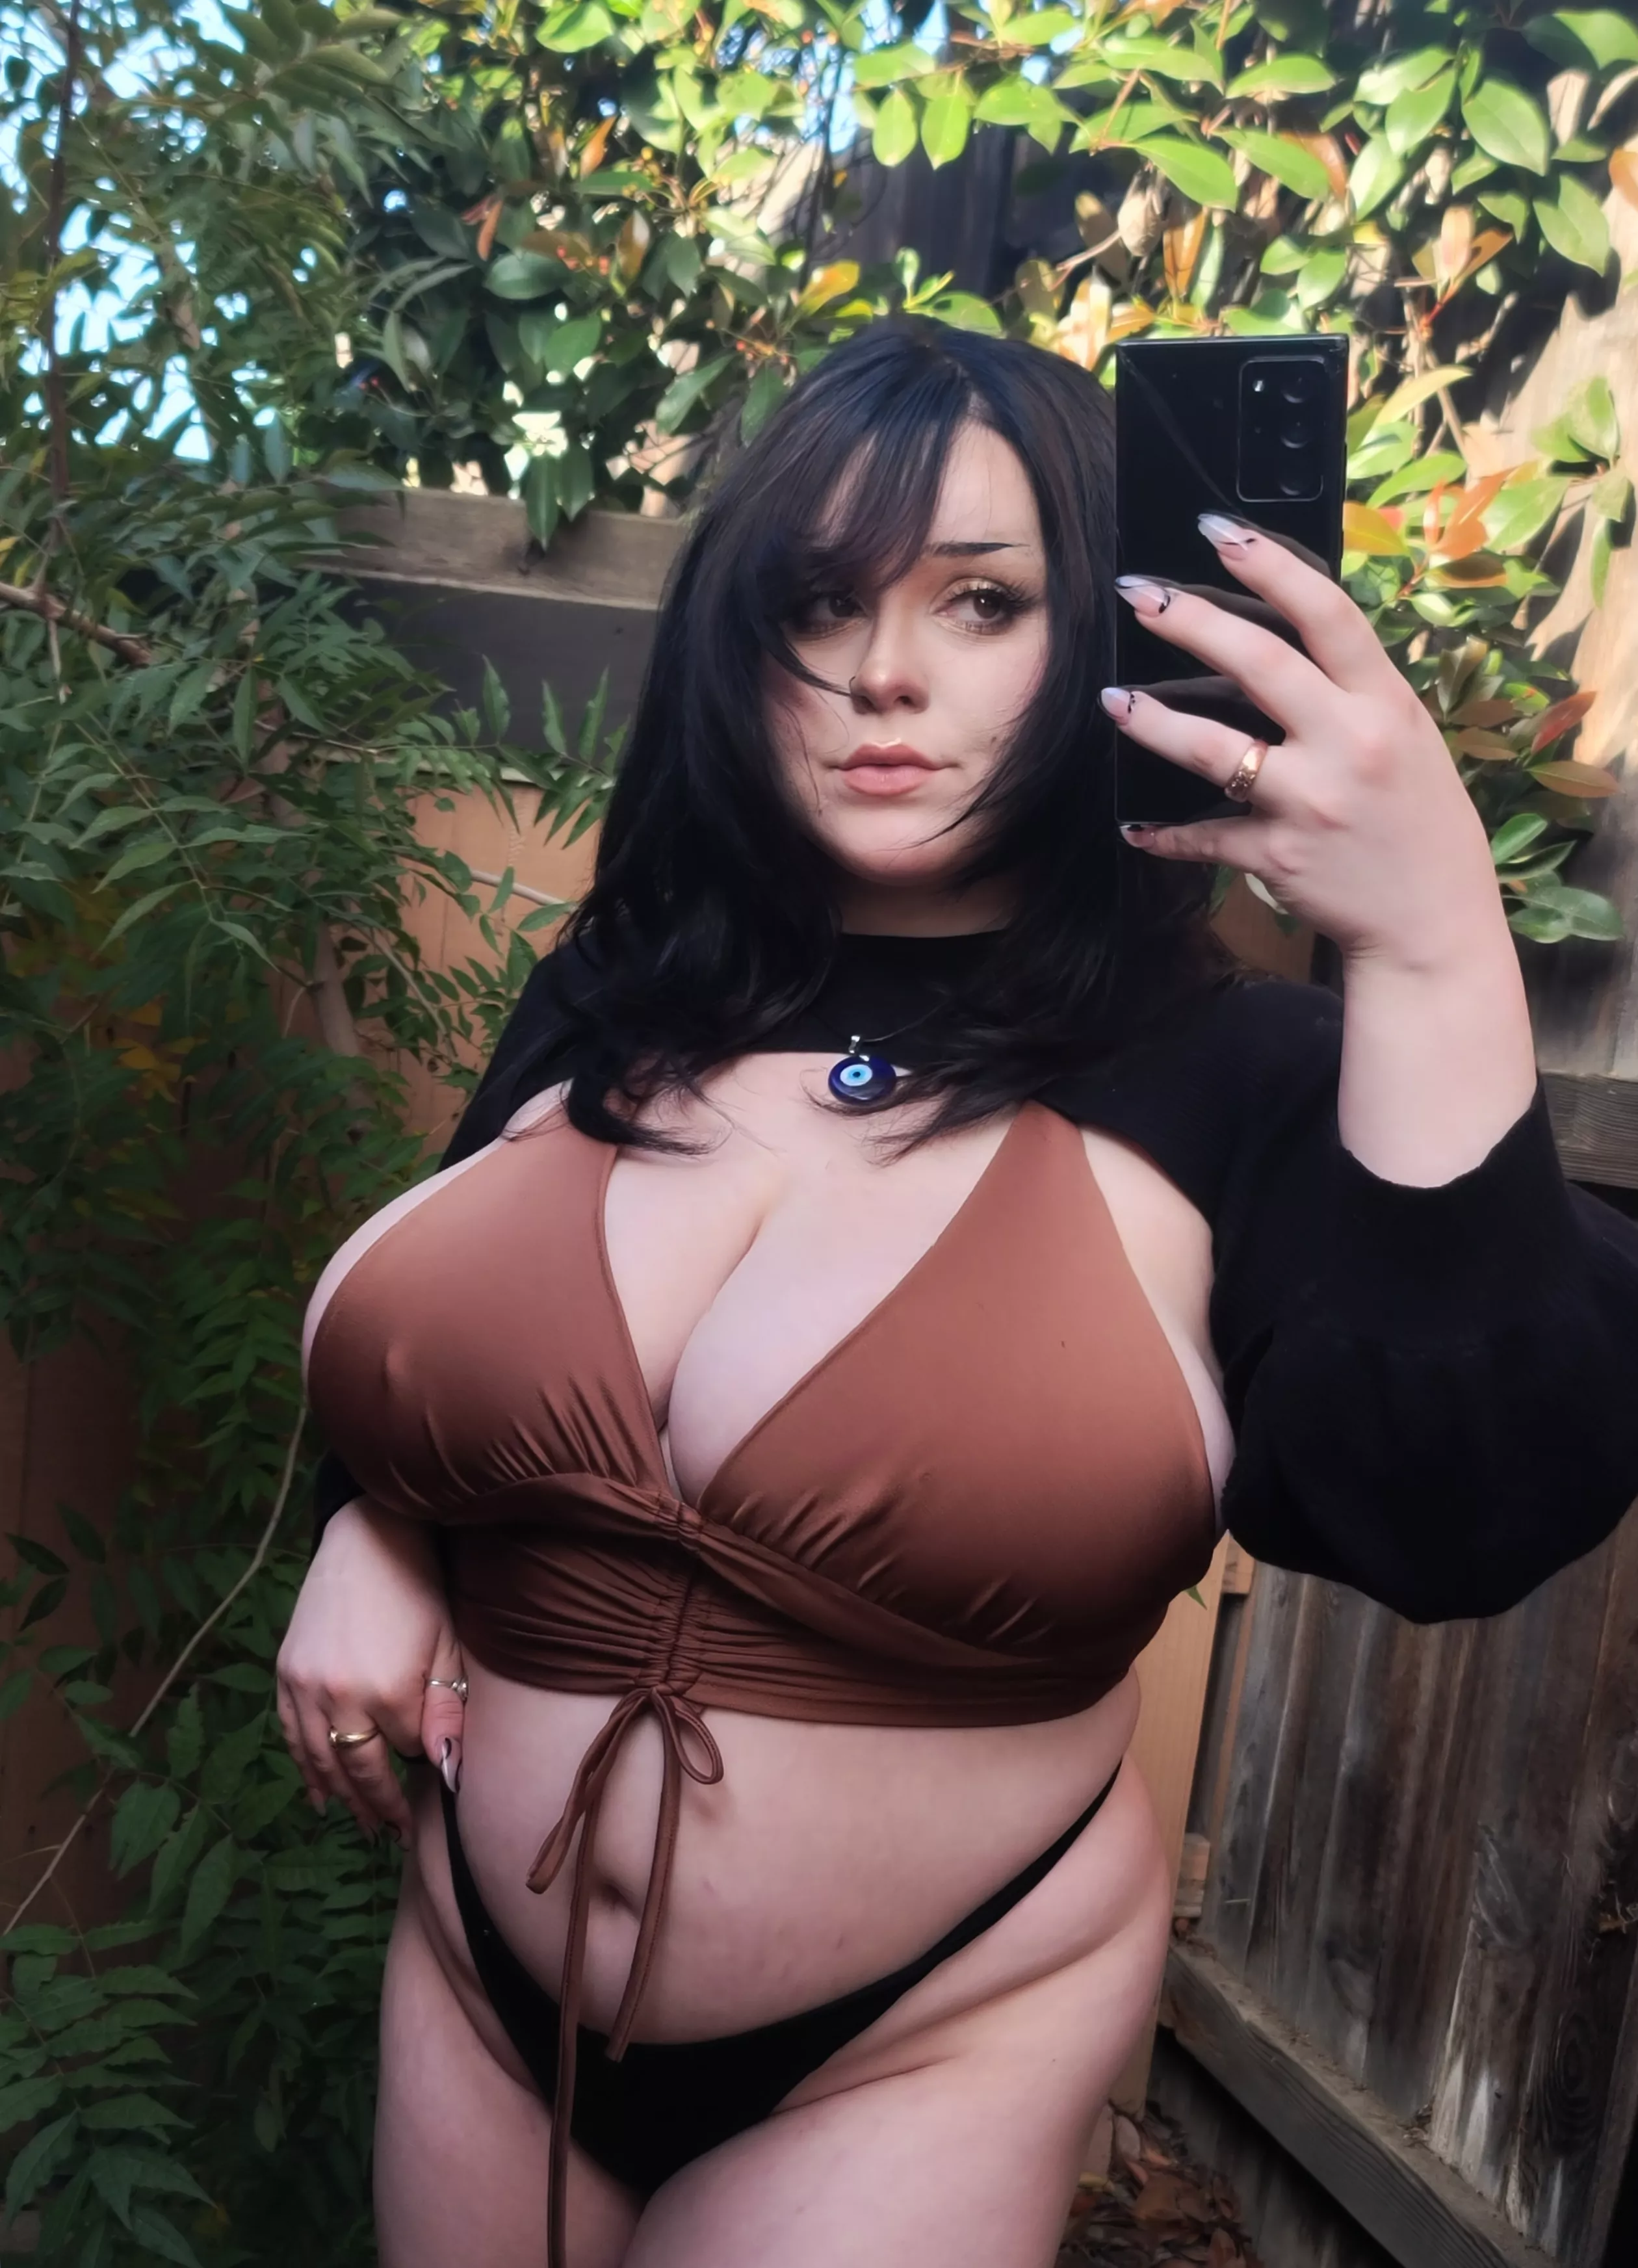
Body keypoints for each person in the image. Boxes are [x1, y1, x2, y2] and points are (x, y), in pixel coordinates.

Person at [276, 318, 1638, 2268]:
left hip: (926, 2028)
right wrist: (379, 1529)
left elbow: (1461, 1504)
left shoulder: (1231, 1078)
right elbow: (441, 1344)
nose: (883, 674)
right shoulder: (620, 991)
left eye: (982, 602)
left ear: (1101, 634)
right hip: (477, 1975)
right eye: (819, 603)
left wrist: (1434, 946)